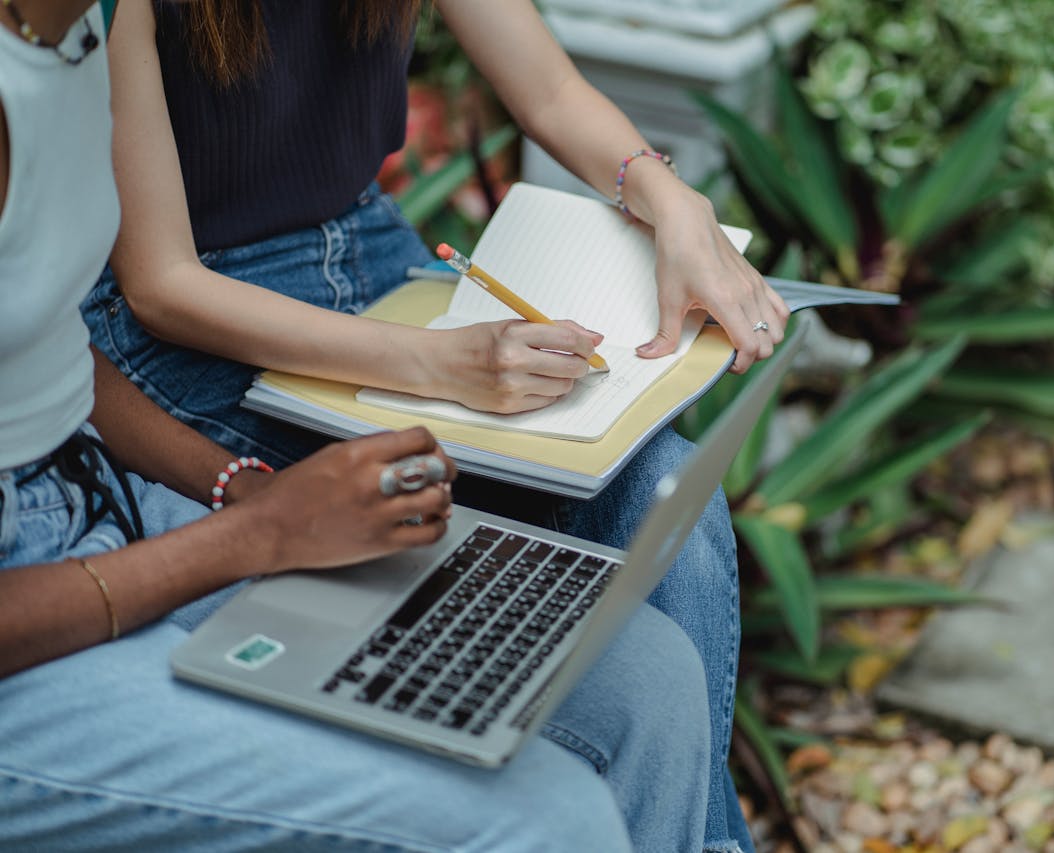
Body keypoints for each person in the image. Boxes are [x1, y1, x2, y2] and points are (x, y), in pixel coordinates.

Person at [0, 2, 715, 849]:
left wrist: (233, 487)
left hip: (99, 484)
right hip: (54, 570)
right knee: (552, 813)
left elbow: (55, 358)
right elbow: (152, 289)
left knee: (649, 675)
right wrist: (251, 535)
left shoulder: (68, 36)